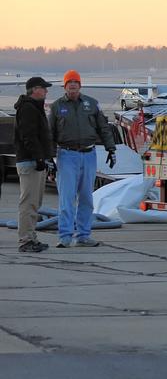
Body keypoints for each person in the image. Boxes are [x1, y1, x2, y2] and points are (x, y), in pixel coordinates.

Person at [49, 70, 116, 248]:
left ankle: (84, 235)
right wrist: (49, 157)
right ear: (64, 86)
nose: (72, 86)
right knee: (67, 197)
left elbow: (103, 127)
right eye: (69, 83)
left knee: (86, 197)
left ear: (80, 85)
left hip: (88, 155)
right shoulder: (56, 107)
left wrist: (111, 148)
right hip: (66, 155)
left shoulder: (92, 104)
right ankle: (64, 235)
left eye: (75, 83)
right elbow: (50, 133)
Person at [13, 76, 55, 253]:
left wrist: (47, 158)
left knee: (34, 203)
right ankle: (25, 240)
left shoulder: (34, 108)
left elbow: (41, 137)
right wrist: (38, 158)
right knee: (28, 202)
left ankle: (31, 237)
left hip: (35, 160)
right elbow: (28, 136)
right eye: (43, 88)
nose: (46, 91)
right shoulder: (28, 108)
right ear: (35, 89)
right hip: (29, 161)